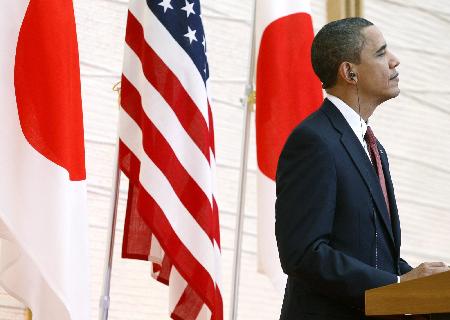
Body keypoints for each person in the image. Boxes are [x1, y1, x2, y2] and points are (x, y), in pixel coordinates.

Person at [275, 17, 449, 320]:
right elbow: (304, 254)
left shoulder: (372, 146)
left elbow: (375, 255)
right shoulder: (314, 141)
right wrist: (397, 284)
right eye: (381, 53)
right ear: (349, 72)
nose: (395, 61)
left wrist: (423, 283)